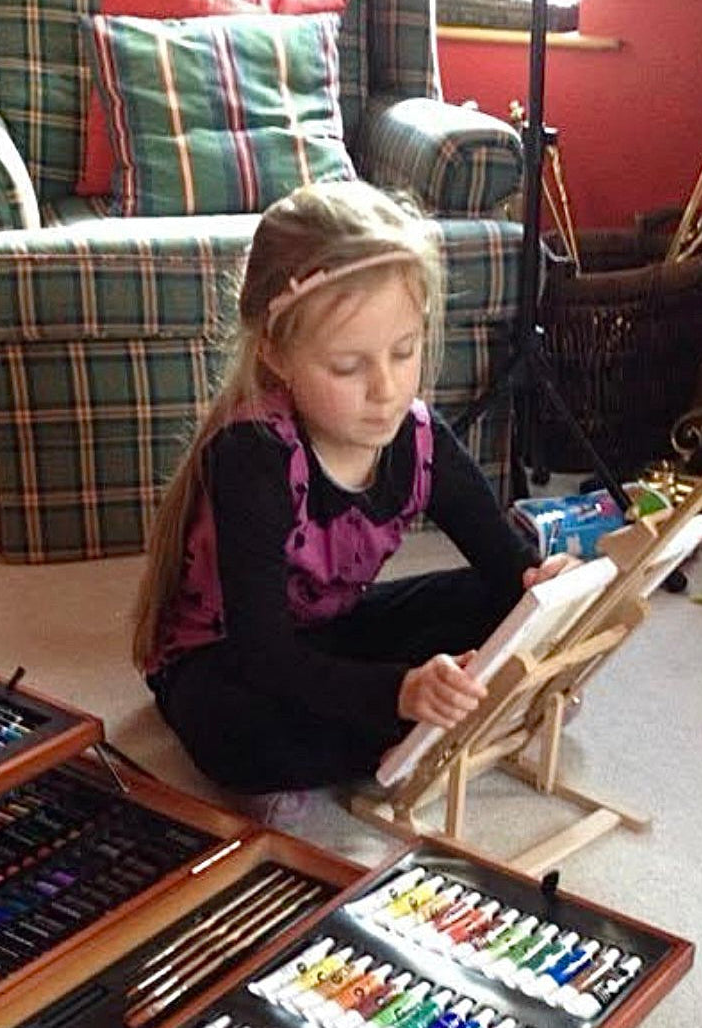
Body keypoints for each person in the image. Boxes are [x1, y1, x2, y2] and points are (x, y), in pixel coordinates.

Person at [131, 181, 579, 824]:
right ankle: (422, 726)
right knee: (244, 736)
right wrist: (400, 692)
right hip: (227, 660)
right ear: (276, 354)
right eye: (348, 367)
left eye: (404, 352)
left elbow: (506, 565)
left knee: (501, 604)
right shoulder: (253, 456)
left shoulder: (418, 434)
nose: (387, 388)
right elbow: (266, 656)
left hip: (329, 634)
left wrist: (544, 586)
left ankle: (419, 723)